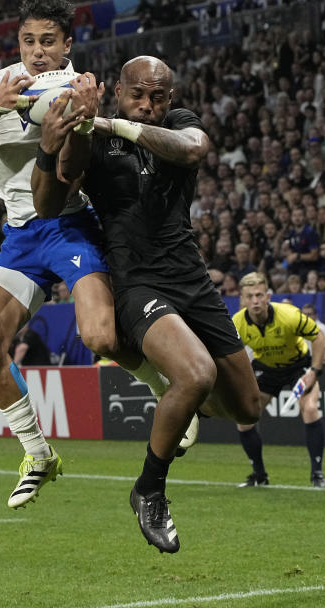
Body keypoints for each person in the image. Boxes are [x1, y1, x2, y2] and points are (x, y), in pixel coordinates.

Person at [44, 55, 263, 553]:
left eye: (157, 97)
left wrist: (113, 121)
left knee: (248, 407)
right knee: (196, 374)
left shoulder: (180, 125)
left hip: (192, 278)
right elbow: (65, 177)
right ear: (118, 89)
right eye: (137, 94)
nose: (147, 105)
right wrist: (80, 126)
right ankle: (150, 488)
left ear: (171, 98)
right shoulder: (95, 139)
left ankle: (178, 403)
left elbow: (192, 150)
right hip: (138, 282)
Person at [0, 0, 167, 511]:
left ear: (67, 45)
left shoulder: (81, 89)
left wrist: (76, 123)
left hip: (70, 223)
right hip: (20, 236)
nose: (37, 52)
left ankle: (163, 391)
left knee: (99, 335)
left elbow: (73, 172)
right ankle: (38, 453)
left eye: (48, 42)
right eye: (28, 41)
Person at [232, 273, 325, 489]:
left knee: (310, 408)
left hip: (297, 365)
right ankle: (259, 475)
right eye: (250, 296)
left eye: (259, 295)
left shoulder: (289, 315)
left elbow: (318, 336)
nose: (255, 300)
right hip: (266, 368)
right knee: (245, 418)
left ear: (267, 296)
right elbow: (229, 354)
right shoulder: (237, 323)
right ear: (243, 299)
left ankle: (317, 474)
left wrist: (314, 370)